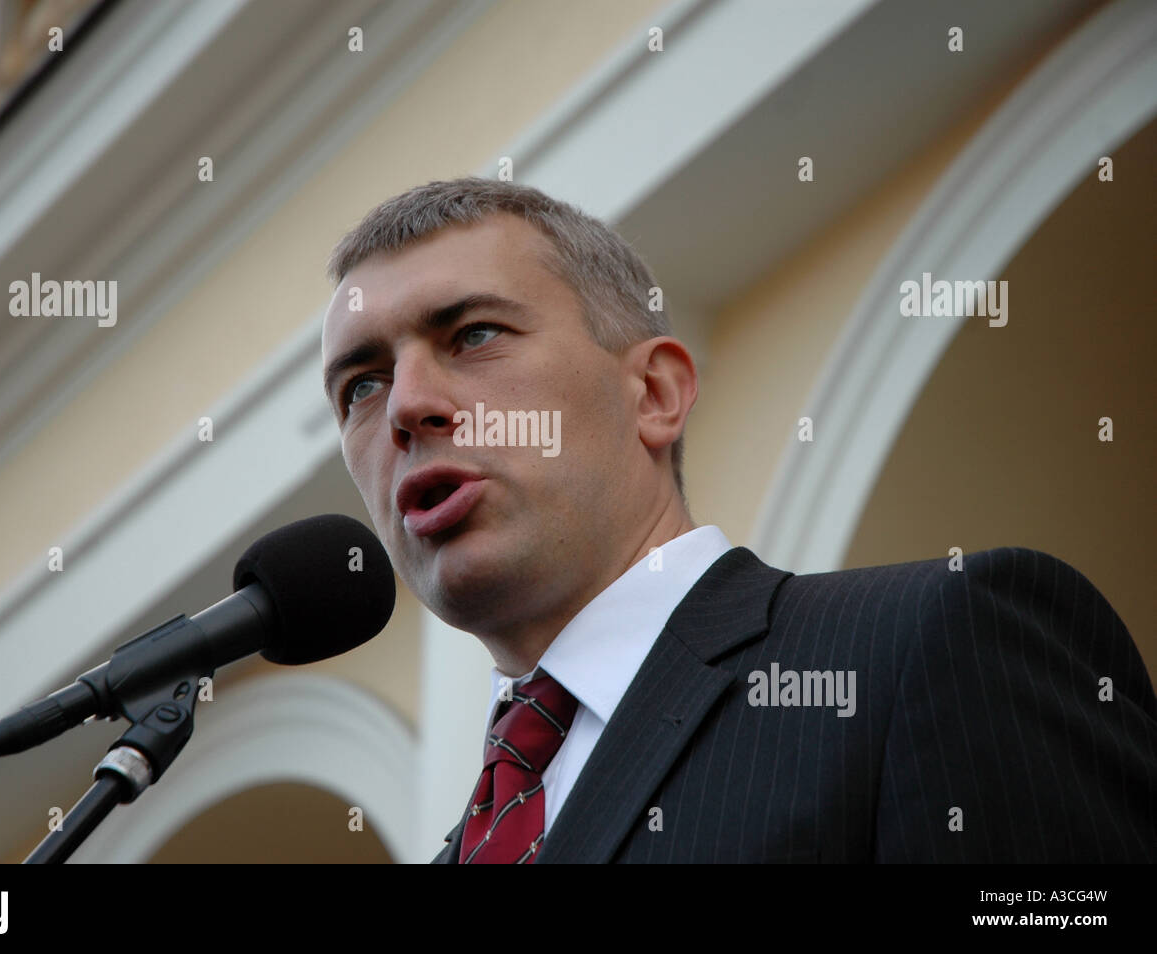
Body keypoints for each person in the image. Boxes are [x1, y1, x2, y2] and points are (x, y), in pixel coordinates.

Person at [319, 176, 1157, 863]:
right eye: (362, 384)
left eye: (472, 335)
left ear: (653, 394)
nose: (408, 407)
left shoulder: (929, 642)